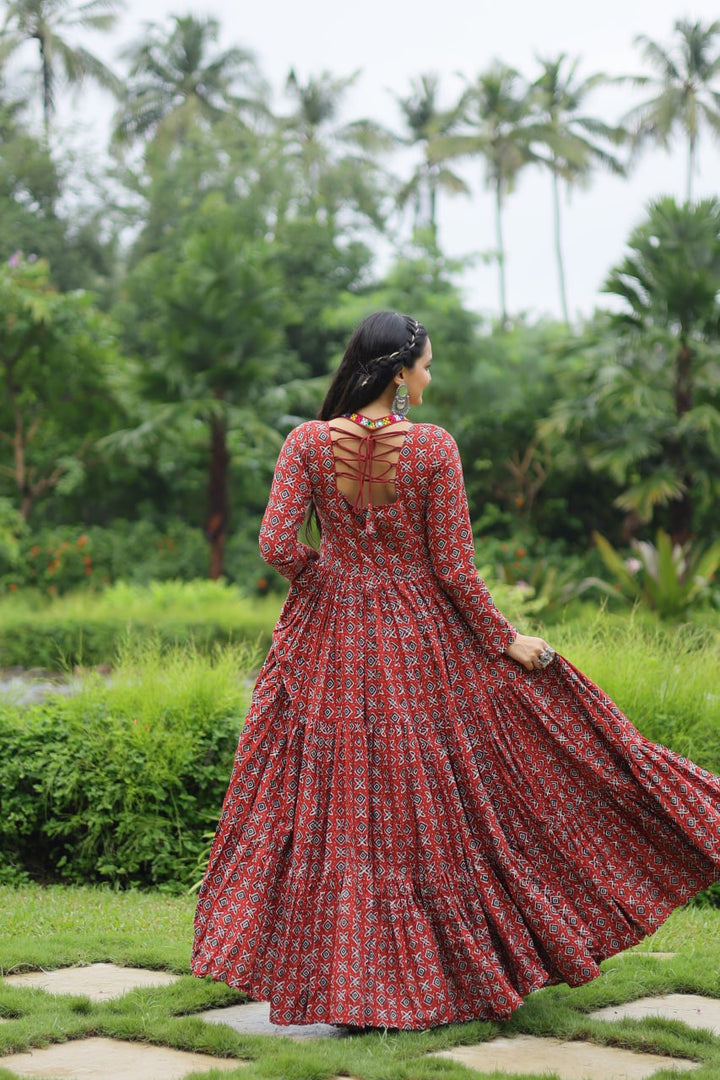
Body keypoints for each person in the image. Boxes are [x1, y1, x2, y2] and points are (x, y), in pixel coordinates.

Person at [192, 310, 720, 1031]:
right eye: (427, 365)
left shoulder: (307, 443)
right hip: (422, 643)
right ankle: (445, 977)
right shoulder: (433, 448)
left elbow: (277, 544)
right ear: (399, 372)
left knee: (341, 804)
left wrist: (330, 582)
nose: (430, 377)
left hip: (332, 643)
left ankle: (353, 987)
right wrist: (506, 641)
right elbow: (454, 570)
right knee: (431, 805)